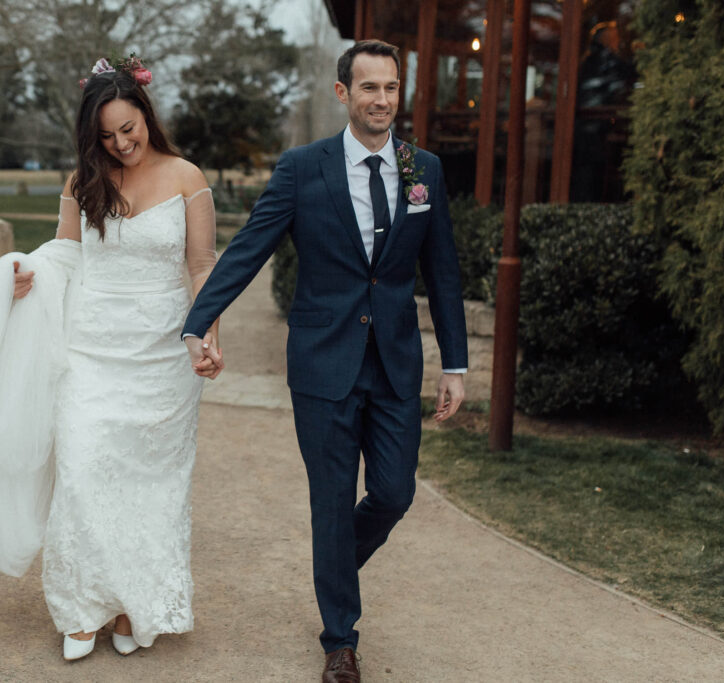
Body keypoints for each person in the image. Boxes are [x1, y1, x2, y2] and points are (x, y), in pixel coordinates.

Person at [0, 56, 220, 663]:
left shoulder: (187, 177)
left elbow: (201, 265)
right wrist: (24, 273)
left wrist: (206, 334)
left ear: (146, 115)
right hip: (91, 352)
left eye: (128, 128)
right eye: (106, 136)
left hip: (163, 359)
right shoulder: (83, 181)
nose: (121, 144)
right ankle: (82, 608)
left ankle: (134, 605)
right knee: (82, 475)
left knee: (152, 487)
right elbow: (65, 254)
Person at [183, 40, 468, 682]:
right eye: (369, 87)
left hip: (395, 362)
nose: (382, 100)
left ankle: (333, 567)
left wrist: (454, 363)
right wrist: (200, 322)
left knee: (393, 492)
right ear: (343, 93)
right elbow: (250, 247)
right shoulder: (301, 169)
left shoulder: (423, 169)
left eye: (390, 87)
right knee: (333, 501)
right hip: (322, 363)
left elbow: (443, 271)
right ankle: (340, 641)